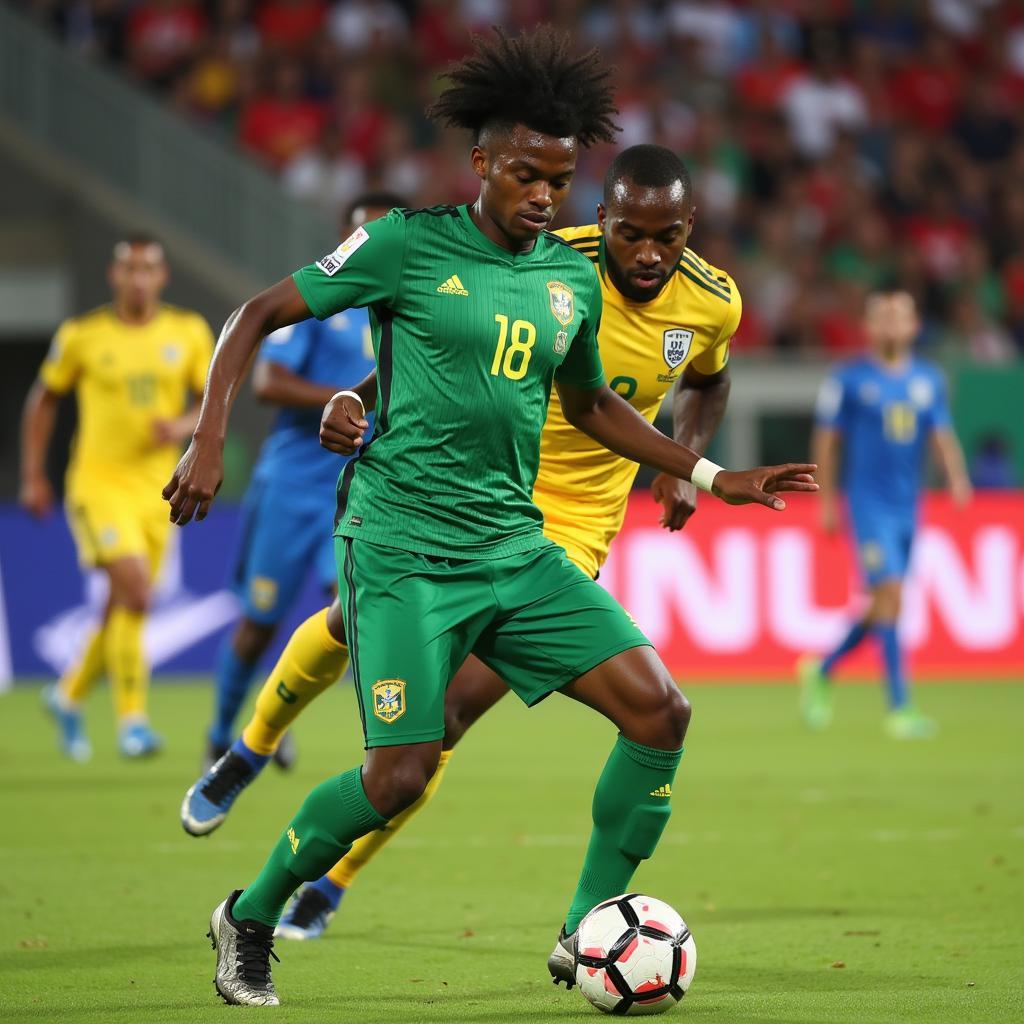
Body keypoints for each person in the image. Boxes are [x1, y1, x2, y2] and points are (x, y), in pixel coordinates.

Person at [164, 27, 815, 1006]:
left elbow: (596, 407)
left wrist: (711, 474)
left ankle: (579, 931)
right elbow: (255, 314)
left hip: (516, 549)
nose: (542, 194)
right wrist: (210, 437)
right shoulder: (403, 247)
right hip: (401, 549)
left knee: (660, 712)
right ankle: (249, 913)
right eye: (525, 174)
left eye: (558, 177)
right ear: (481, 164)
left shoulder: (565, 280)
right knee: (398, 777)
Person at [204, 192, 404, 771]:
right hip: (295, 485)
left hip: (366, 487)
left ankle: (276, 719)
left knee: (352, 609)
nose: (373, 247)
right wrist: (344, 400)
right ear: (344, 238)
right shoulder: (324, 297)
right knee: (260, 620)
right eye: (361, 235)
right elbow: (268, 381)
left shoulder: (416, 301)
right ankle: (220, 734)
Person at [19, 234, 214, 759]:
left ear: (162, 276)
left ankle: (68, 695)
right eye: (129, 268)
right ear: (114, 275)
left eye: (148, 268)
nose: (138, 278)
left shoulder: (188, 331)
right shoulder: (82, 336)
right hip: (97, 484)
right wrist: (33, 473)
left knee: (122, 603)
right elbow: (44, 400)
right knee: (135, 591)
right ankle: (133, 721)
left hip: (160, 488)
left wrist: (176, 424)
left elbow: (210, 402)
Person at [800, 288, 971, 739]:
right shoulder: (850, 379)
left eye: (901, 317)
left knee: (885, 604)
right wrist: (825, 501)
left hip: (906, 505)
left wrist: (956, 477)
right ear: (869, 327)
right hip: (867, 504)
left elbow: (941, 432)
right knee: (890, 594)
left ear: (915, 327)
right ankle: (900, 707)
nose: (893, 325)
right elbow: (826, 441)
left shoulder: (928, 378)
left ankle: (823, 668)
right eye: (884, 317)